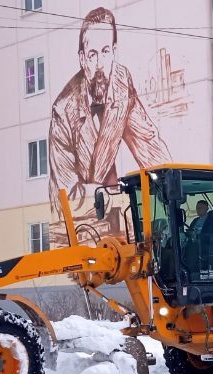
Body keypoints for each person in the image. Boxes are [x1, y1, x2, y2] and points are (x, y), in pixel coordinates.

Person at [47, 7, 172, 242]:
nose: (100, 64)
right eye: (92, 54)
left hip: (112, 218)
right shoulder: (63, 111)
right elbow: (69, 194)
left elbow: (148, 142)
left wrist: (176, 185)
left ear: (114, 52)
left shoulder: (121, 82)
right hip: (75, 229)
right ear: (82, 58)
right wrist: (121, 198)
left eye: (105, 52)